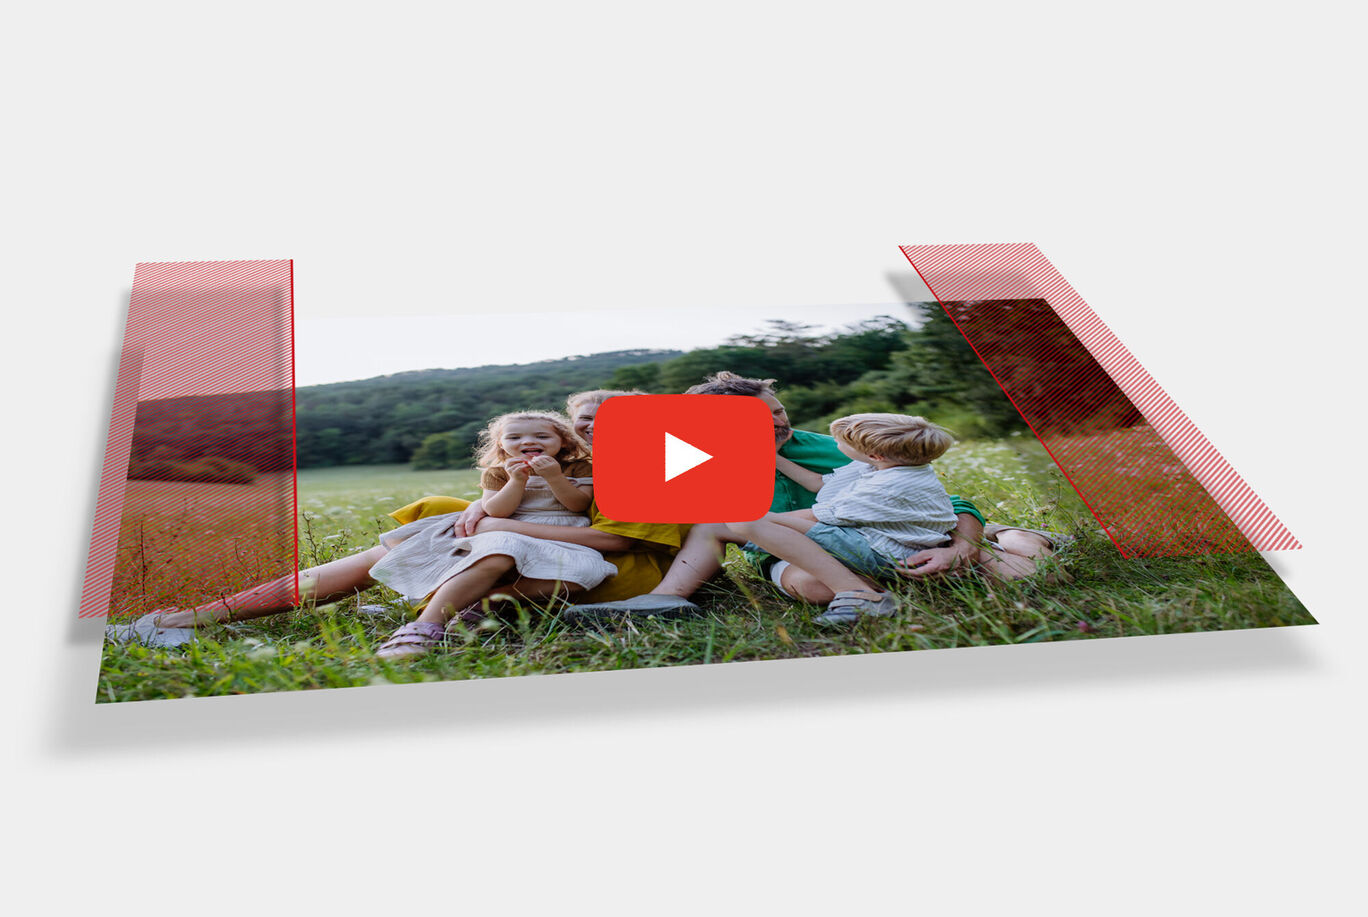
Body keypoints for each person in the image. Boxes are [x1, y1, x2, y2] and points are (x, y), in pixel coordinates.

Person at [104, 390, 688, 648]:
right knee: (393, 549)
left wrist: (493, 525)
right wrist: (483, 509)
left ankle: (420, 617)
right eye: (584, 419)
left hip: (608, 572)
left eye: (612, 417)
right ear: (571, 430)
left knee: (480, 557)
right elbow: (507, 502)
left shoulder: (655, 473)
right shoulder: (558, 465)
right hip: (516, 543)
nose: (594, 426)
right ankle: (183, 619)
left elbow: (611, 538)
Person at [565, 371, 1064, 620]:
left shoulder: (831, 448)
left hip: (891, 532)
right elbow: (691, 530)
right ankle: (667, 601)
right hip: (810, 550)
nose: (780, 422)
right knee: (811, 587)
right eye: (762, 420)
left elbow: (946, 504)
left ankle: (1009, 541)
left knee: (1020, 560)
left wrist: (963, 546)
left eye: (779, 410)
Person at [371, 410, 616, 658]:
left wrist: (554, 477)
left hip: (562, 534)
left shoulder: (579, 468)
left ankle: (486, 604)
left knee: (586, 573)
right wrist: (516, 481)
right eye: (514, 437)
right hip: (509, 532)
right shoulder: (498, 472)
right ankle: (424, 627)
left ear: (563, 441)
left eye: (541, 436)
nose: (528, 442)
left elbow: (576, 505)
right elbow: (496, 511)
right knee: (498, 553)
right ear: (501, 444)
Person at [727, 413, 959, 625]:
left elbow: (817, 517)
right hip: (881, 542)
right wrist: (772, 456)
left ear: (874, 454)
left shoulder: (886, 486)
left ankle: (861, 595)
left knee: (747, 521)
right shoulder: (882, 466)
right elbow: (818, 484)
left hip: (887, 555)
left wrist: (761, 527)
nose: (834, 443)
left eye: (841, 442)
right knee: (751, 522)